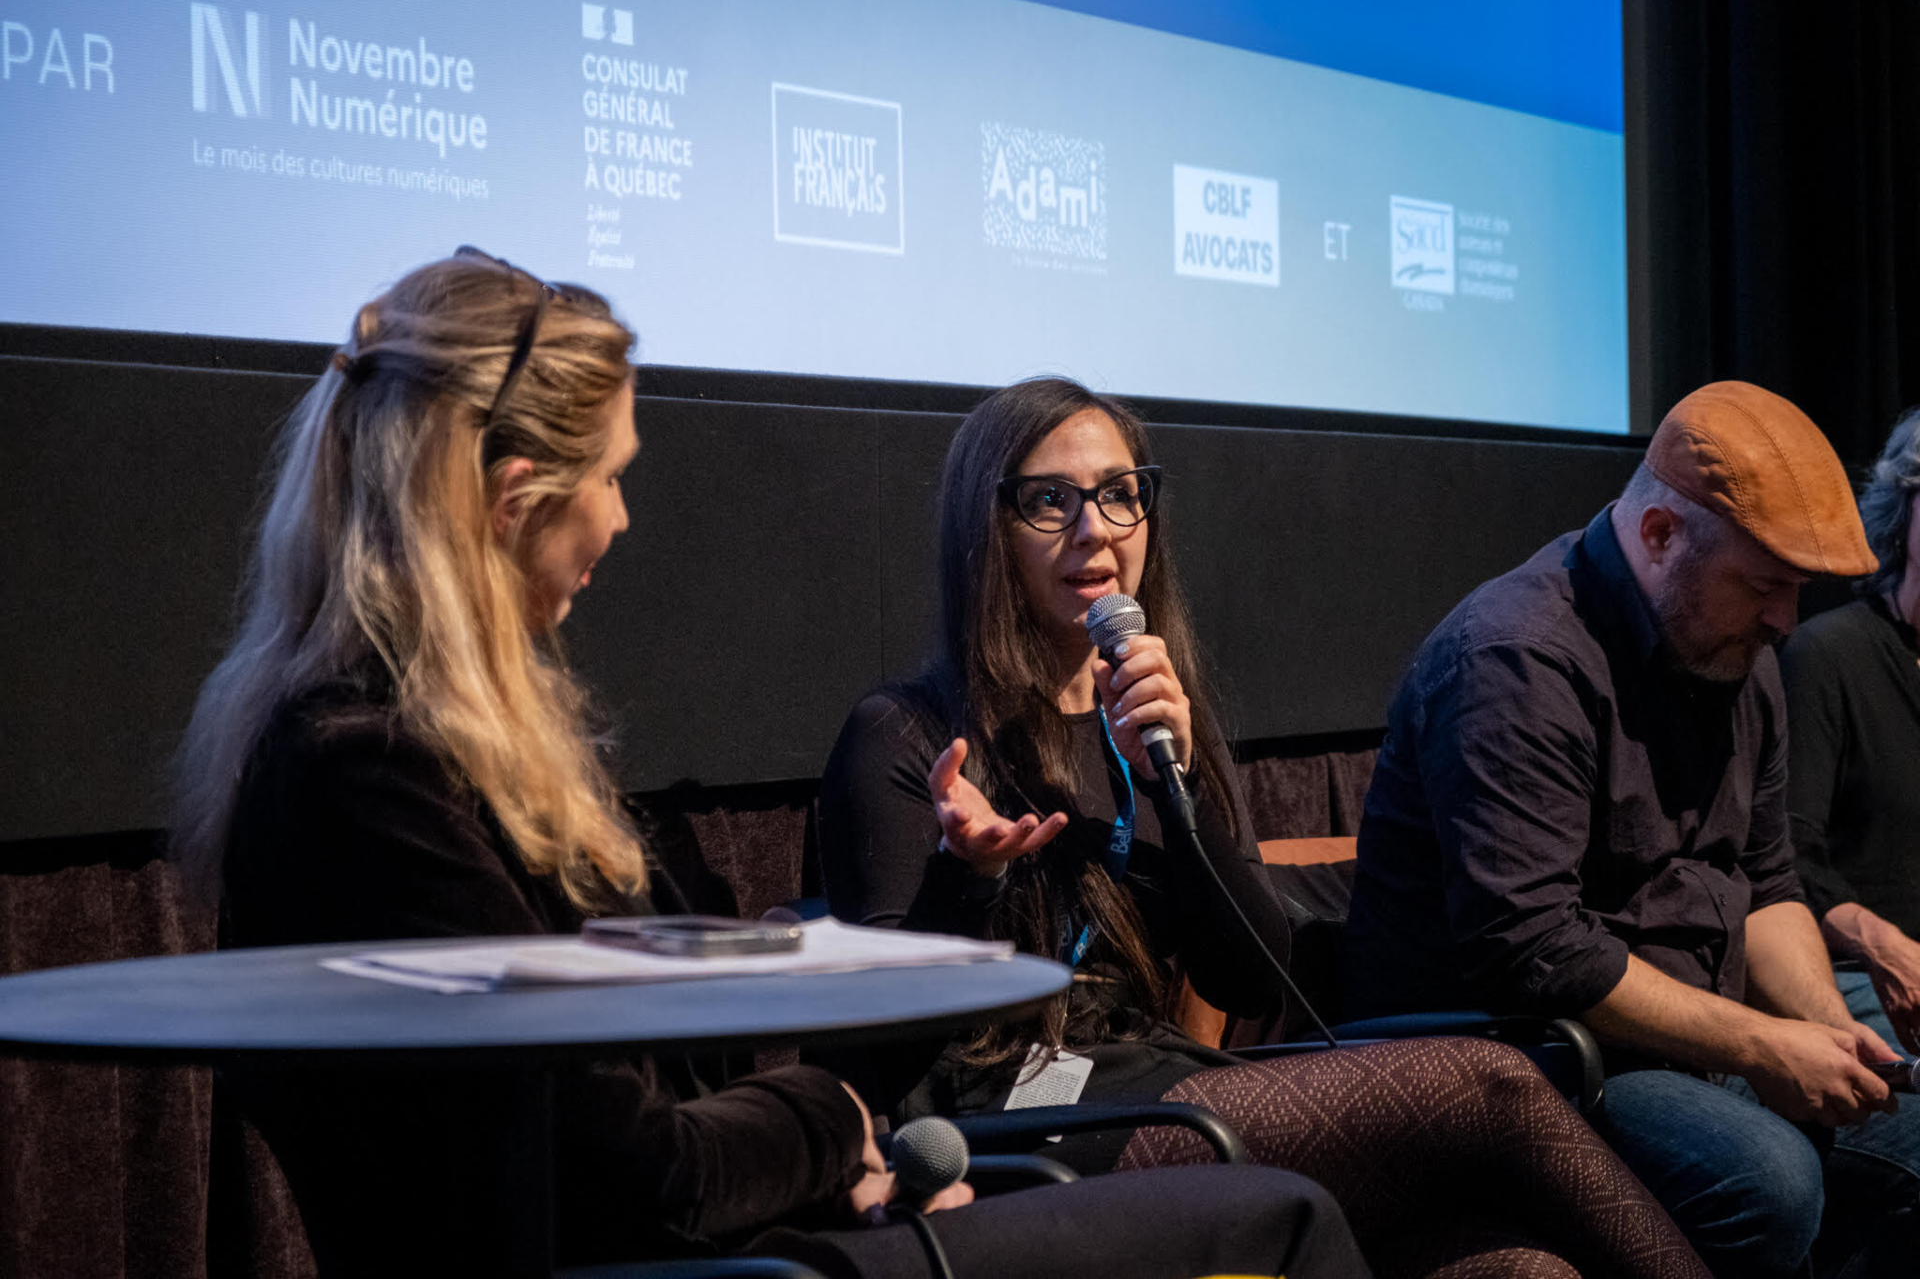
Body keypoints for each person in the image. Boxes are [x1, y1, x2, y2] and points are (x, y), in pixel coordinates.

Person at [169, 252, 1368, 1278]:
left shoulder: (409, 754)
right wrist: (837, 1135)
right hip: (707, 1263)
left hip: (744, 1230)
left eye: (1120, 496)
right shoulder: (374, 778)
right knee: (1291, 1215)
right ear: (514, 497)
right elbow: (634, 1171)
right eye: (615, 476)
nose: (626, 519)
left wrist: (831, 1140)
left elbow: (650, 1133)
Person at [820, 375, 1709, 1279]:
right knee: (1493, 1083)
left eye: (1121, 494)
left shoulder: (1157, 718)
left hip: (1157, 1085)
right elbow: (882, 1058)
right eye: (1049, 501)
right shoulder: (907, 734)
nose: (1095, 529)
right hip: (1018, 1129)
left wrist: (1181, 785)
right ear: (987, 529)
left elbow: (1249, 977)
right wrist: (966, 880)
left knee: (1521, 1270)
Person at [1342, 380, 1920, 1278]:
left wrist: (1819, 1030)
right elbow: (1535, 952)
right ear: (1659, 537)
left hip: (1677, 1028)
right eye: (1765, 585)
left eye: (1797, 591)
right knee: (1772, 1180)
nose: (1785, 620)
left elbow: (1767, 884)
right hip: (1526, 1054)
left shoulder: (1740, 652)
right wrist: (1760, 1042)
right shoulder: (1518, 657)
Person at [1781, 409, 1920, 1057]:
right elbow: (1786, 858)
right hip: (1858, 975)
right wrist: (1879, 942)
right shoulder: (1828, 657)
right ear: (1906, 509)